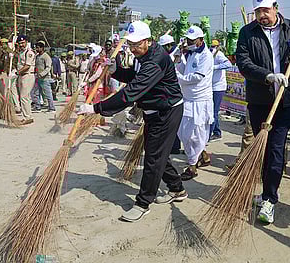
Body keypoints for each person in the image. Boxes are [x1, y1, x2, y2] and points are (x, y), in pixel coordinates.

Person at [77, 21, 186, 222]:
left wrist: (96, 108)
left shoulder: (156, 60)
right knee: (157, 154)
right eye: (131, 45)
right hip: (153, 111)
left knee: (153, 158)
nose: (133, 48)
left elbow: (130, 93)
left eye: (137, 44)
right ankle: (177, 188)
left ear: (148, 41)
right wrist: (115, 70)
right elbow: (134, 76)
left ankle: (143, 203)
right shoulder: (142, 56)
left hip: (167, 111)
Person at [236, 0, 290, 223]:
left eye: (266, 10)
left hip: (287, 98)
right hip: (260, 98)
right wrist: (268, 76)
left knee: (276, 146)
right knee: (263, 148)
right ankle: (265, 192)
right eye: (258, 11)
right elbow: (243, 63)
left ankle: (270, 199)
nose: (262, 15)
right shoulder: (247, 33)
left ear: (276, 7)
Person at [176, 25, 214, 180]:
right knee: (184, 133)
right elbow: (186, 70)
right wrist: (179, 62)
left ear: (200, 40)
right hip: (187, 99)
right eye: (188, 40)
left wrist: (178, 78)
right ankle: (202, 156)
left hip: (200, 101)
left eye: (192, 40)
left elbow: (197, 77)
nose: (190, 42)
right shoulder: (191, 53)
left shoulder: (206, 56)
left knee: (195, 135)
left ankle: (192, 167)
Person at [209, 39, 232, 141]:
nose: (213, 48)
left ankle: (212, 134)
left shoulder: (219, 54)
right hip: (210, 86)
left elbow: (228, 64)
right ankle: (217, 131)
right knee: (211, 111)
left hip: (218, 87)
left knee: (213, 111)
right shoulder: (208, 53)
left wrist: (214, 67)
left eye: (214, 46)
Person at [16, 35, 35, 125]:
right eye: (20, 43)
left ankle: (27, 117)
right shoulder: (21, 52)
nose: (21, 45)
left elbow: (27, 66)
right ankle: (27, 115)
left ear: (26, 42)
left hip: (27, 75)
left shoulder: (29, 52)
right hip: (21, 76)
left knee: (24, 97)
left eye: (23, 43)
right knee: (23, 97)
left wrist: (18, 72)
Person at [33, 41, 55, 112]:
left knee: (47, 94)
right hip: (37, 78)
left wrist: (42, 74)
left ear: (42, 48)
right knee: (36, 93)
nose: (36, 49)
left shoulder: (46, 56)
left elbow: (48, 67)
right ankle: (37, 106)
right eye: (36, 48)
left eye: (38, 48)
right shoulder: (37, 56)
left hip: (45, 78)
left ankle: (51, 107)